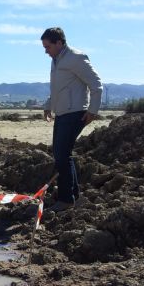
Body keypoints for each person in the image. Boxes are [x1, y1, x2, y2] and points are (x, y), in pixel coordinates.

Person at [41, 27, 103, 212]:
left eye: (48, 46)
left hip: (76, 112)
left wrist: (92, 110)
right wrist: (48, 105)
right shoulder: (56, 60)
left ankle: (66, 199)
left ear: (59, 42)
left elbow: (97, 85)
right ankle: (72, 195)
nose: (46, 51)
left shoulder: (76, 58)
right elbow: (58, 88)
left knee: (61, 154)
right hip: (62, 113)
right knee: (62, 154)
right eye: (44, 47)